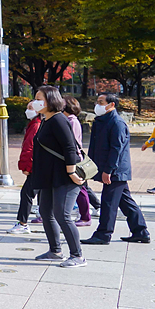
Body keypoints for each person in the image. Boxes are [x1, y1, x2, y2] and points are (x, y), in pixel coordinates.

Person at [82, 92, 151, 245]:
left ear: (111, 104)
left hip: (115, 170)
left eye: (101, 102)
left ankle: (103, 234)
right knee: (125, 201)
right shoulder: (103, 121)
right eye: (97, 101)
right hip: (112, 169)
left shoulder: (116, 123)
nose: (97, 105)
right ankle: (141, 231)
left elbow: (116, 149)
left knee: (108, 202)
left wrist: (108, 170)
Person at [29, 86, 86, 267]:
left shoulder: (59, 120)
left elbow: (69, 148)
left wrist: (71, 172)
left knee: (62, 214)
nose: (35, 102)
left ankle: (77, 256)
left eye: (40, 99)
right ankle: (55, 251)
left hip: (64, 176)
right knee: (46, 212)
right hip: (49, 176)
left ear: (50, 100)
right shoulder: (46, 119)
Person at [8, 99, 43, 234]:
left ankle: (23, 223)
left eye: (30, 108)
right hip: (39, 165)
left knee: (27, 193)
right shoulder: (36, 124)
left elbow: (30, 148)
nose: (27, 111)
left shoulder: (35, 125)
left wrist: (27, 166)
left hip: (35, 166)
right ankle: (42, 216)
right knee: (40, 193)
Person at [63, 96, 93, 227]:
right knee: (80, 189)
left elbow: (71, 143)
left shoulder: (72, 121)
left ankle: (86, 217)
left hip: (74, 159)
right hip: (72, 158)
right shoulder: (68, 120)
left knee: (80, 189)